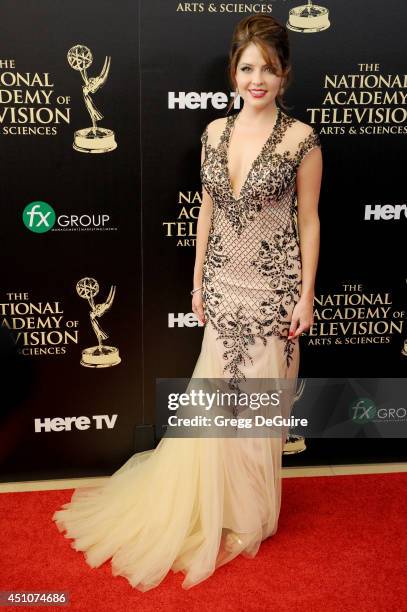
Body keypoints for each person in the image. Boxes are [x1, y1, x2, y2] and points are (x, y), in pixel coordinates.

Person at [52, 14, 322, 591]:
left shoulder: (302, 140)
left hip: (274, 290)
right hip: (224, 286)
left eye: (268, 70)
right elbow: (206, 211)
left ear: (284, 75)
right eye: (247, 68)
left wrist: (307, 295)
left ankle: (249, 512)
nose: (257, 79)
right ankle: (214, 506)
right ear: (233, 71)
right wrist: (198, 281)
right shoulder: (214, 134)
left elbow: (308, 218)